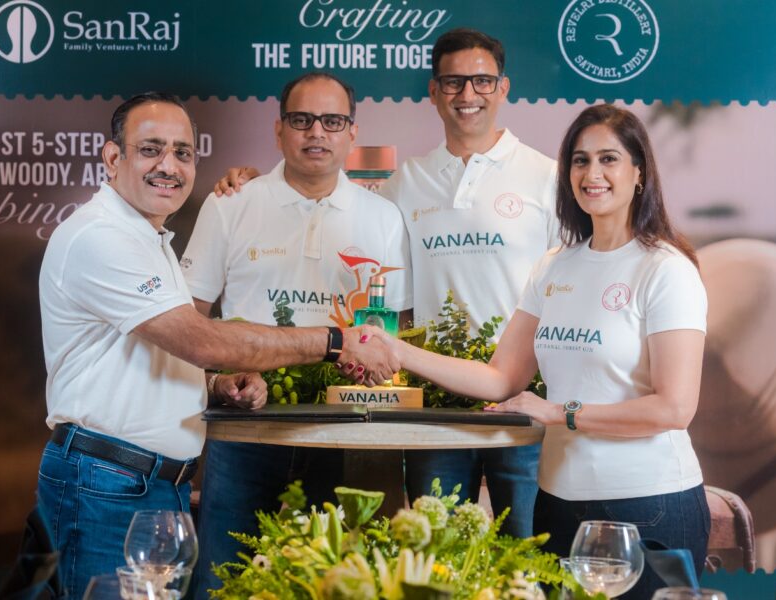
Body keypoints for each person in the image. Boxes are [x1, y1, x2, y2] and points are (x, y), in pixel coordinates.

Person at [36, 92, 396, 598]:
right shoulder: (100, 236)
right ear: (113, 157)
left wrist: (215, 386)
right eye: (151, 150)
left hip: (150, 484)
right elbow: (200, 339)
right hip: (106, 484)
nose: (169, 166)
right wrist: (336, 342)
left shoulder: (149, 238)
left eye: (183, 152)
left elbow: (153, 352)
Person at [213, 29, 558, 538]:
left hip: (522, 403)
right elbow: (314, 186)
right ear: (434, 91)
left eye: (482, 81)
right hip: (434, 407)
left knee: (530, 554)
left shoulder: (549, 178)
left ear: (503, 88)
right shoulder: (404, 184)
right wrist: (248, 183)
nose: (467, 94)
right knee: (436, 557)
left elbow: (570, 290)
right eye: (453, 82)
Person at [384, 104, 710, 600]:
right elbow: (501, 377)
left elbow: (674, 408)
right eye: (580, 160)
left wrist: (561, 413)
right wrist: (397, 351)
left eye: (608, 159)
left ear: (639, 171)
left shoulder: (666, 270)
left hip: (648, 505)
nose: (592, 174)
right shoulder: (555, 266)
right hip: (559, 504)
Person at [181, 72, 411, 598]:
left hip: (348, 431)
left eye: (332, 121)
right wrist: (218, 380)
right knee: (222, 583)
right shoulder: (232, 202)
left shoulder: (383, 217)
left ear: (352, 133)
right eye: (302, 119)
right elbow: (189, 321)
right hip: (244, 428)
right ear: (279, 129)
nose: (317, 133)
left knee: (340, 586)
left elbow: (392, 335)